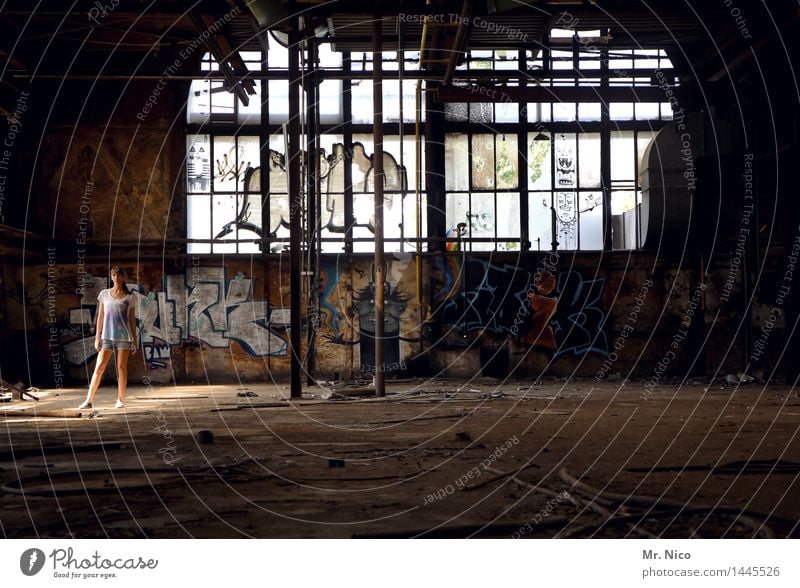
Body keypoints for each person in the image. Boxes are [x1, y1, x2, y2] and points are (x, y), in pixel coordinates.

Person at [78, 266, 138, 409]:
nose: (116, 277)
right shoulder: (104, 294)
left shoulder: (130, 296)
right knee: (99, 368)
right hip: (107, 337)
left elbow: (132, 320)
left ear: (123, 277)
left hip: (124, 337)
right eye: (113, 275)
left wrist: (135, 340)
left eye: (119, 275)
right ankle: (88, 401)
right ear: (111, 276)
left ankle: (120, 400)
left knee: (122, 368)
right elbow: (100, 316)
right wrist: (97, 338)